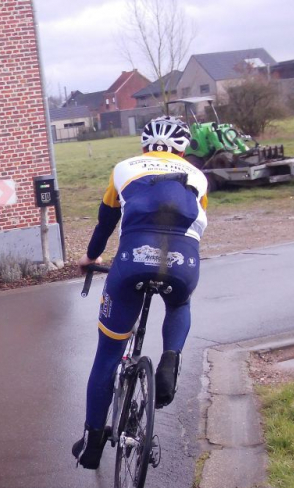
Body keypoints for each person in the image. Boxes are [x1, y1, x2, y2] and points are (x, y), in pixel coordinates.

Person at [72, 116, 208, 468]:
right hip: (181, 261)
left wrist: (90, 257)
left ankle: (93, 442)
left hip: (132, 259)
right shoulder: (198, 177)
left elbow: (106, 222)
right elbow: (197, 228)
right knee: (179, 303)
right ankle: (171, 359)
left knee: (107, 353)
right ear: (182, 148)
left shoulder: (124, 169)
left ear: (145, 145)